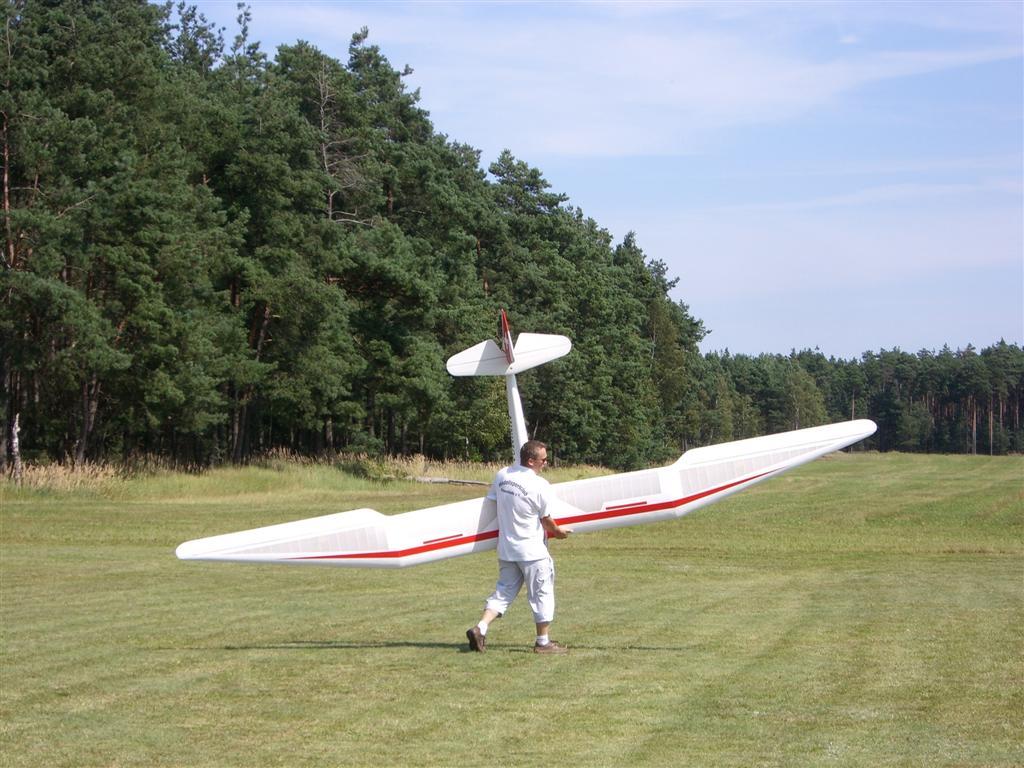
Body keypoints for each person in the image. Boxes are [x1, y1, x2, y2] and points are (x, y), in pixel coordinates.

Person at [466, 439, 573, 654]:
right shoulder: (540, 485)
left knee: (504, 591)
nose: (546, 463)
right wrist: (558, 532)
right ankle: (543, 643)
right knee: (542, 593)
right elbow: (546, 519)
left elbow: (492, 502)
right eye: (543, 459)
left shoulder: (502, 475)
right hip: (532, 551)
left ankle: (480, 628)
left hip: (507, 549)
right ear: (531, 461)